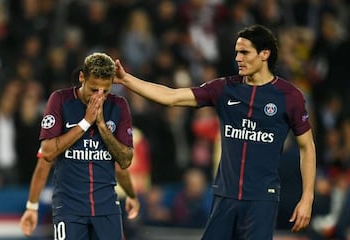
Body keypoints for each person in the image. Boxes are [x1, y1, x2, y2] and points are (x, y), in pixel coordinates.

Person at [114, 24, 316, 239]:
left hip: (261, 201)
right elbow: (171, 97)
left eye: (245, 52)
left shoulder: (288, 96)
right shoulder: (224, 89)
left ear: (265, 54)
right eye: (237, 52)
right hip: (224, 197)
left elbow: (307, 147)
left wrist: (307, 198)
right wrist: (127, 80)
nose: (238, 58)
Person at [19, 52, 139, 240]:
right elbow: (47, 154)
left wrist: (101, 126)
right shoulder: (60, 101)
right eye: (93, 89)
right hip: (69, 209)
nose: (99, 97)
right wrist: (85, 123)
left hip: (107, 208)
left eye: (105, 91)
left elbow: (124, 161)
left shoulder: (118, 106)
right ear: (82, 77)